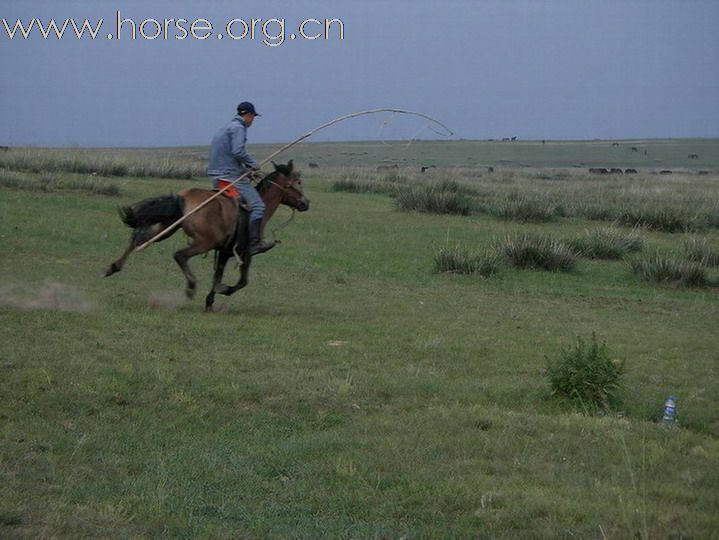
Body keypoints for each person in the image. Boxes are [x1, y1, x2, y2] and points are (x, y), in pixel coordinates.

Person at [207, 101, 275, 255]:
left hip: (219, 173)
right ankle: (254, 243)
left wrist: (246, 170)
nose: (253, 121)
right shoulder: (239, 128)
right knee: (258, 206)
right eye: (253, 117)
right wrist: (253, 164)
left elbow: (229, 155)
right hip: (229, 176)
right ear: (249, 115)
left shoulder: (227, 127)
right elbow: (237, 151)